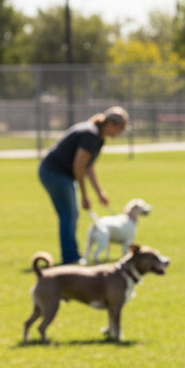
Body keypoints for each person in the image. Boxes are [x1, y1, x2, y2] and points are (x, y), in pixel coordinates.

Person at [37, 106, 127, 264]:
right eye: (120, 128)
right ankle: (70, 257)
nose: (119, 133)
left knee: (70, 214)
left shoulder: (98, 137)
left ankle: (72, 254)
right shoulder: (90, 134)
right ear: (111, 123)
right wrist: (85, 195)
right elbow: (78, 166)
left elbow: (89, 166)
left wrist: (99, 193)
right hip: (55, 173)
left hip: (57, 173)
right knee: (69, 214)